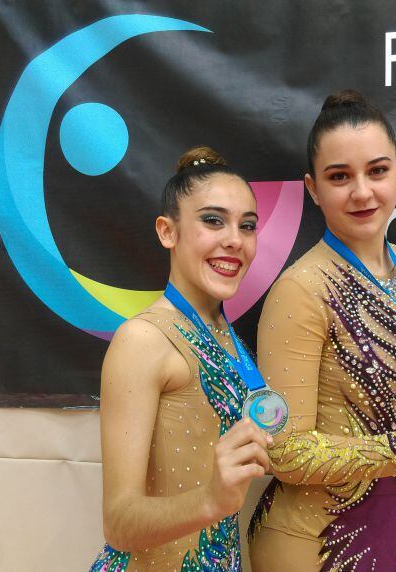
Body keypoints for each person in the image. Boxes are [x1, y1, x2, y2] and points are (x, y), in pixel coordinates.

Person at [248, 91, 396, 572]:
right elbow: (286, 454)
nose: (362, 192)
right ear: (313, 189)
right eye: (340, 177)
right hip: (315, 544)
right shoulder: (301, 289)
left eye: (376, 171)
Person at [90, 146, 272, 571]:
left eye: (247, 226)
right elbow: (118, 524)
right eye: (213, 220)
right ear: (167, 231)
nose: (234, 239)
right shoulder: (142, 339)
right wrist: (211, 499)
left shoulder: (226, 334)